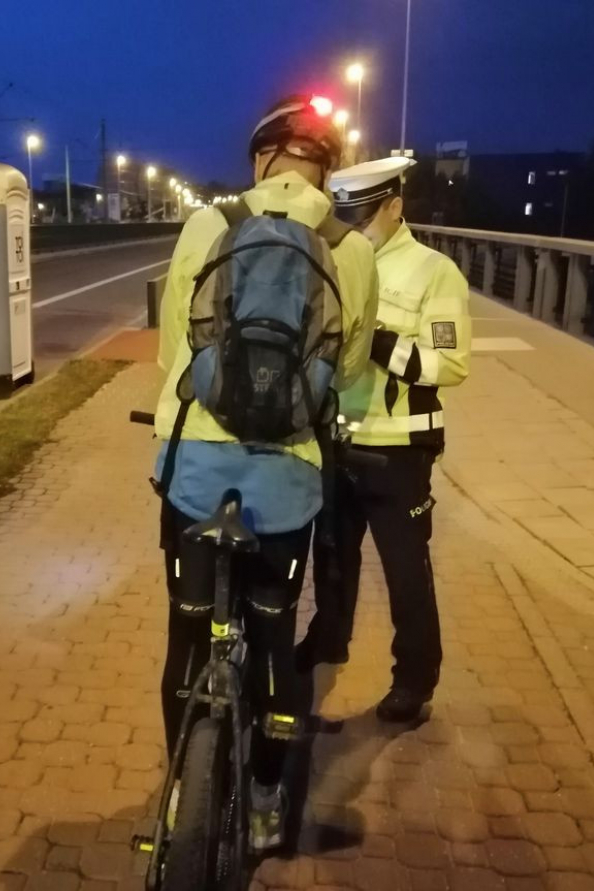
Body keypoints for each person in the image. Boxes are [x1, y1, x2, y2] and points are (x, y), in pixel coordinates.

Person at [154, 94, 378, 850]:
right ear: (328, 169)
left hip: (195, 466)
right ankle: (265, 799)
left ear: (260, 161)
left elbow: (172, 352)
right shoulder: (349, 246)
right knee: (275, 634)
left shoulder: (206, 226)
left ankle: (183, 779)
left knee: (187, 633)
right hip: (288, 479)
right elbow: (350, 373)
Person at [297, 157, 472, 723]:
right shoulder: (336, 261)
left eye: (363, 216)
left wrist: (374, 337)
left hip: (398, 450)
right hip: (336, 439)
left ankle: (415, 680)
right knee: (333, 562)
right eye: (344, 216)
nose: (353, 228)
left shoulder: (434, 271)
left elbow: (449, 365)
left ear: (395, 206)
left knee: (404, 570)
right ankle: (328, 643)